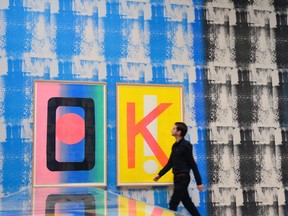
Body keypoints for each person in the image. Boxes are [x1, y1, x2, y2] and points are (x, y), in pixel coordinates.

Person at [153, 122, 204, 216]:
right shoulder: (175, 146)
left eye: (174, 128)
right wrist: (160, 174)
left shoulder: (186, 145)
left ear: (179, 132)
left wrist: (199, 182)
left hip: (183, 178)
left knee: (173, 203)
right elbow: (170, 163)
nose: (172, 130)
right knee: (187, 203)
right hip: (176, 178)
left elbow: (192, 164)